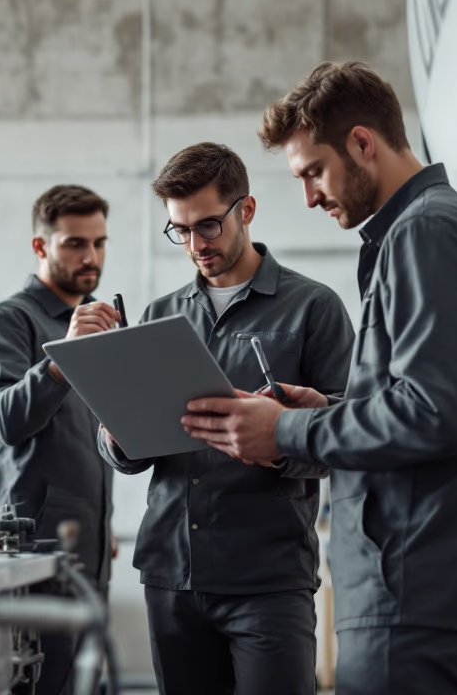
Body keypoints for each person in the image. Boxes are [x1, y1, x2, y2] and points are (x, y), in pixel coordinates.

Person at [181, 62, 457, 695]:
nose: (310, 196)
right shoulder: (419, 231)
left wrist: (289, 430)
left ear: (363, 143)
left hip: (414, 581)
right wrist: (328, 407)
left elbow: (437, 413)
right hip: (412, 583)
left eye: (314, 172)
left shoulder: (427, 233)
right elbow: (420, 400)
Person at [98, 143, 355, 695]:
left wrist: (278, 438)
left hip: (267, 579)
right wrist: (118, 435)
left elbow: (351, 439)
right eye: (181, 230)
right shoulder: (159, 316)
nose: (196, 245)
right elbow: (132, 453)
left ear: (247, 209)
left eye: (209, 226)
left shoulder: (314, 309)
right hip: (171, 574)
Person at [0, 184, 117, 695]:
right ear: (41, 247)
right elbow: (4, 420)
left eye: (99, 243)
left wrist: (103, 522)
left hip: (90, 547)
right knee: (37, 683)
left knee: (83, 682)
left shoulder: (99, 321)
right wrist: (61, 359)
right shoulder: (8, 321)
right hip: (30, 548)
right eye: (75, 243)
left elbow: (95, 435)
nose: (90, 257)